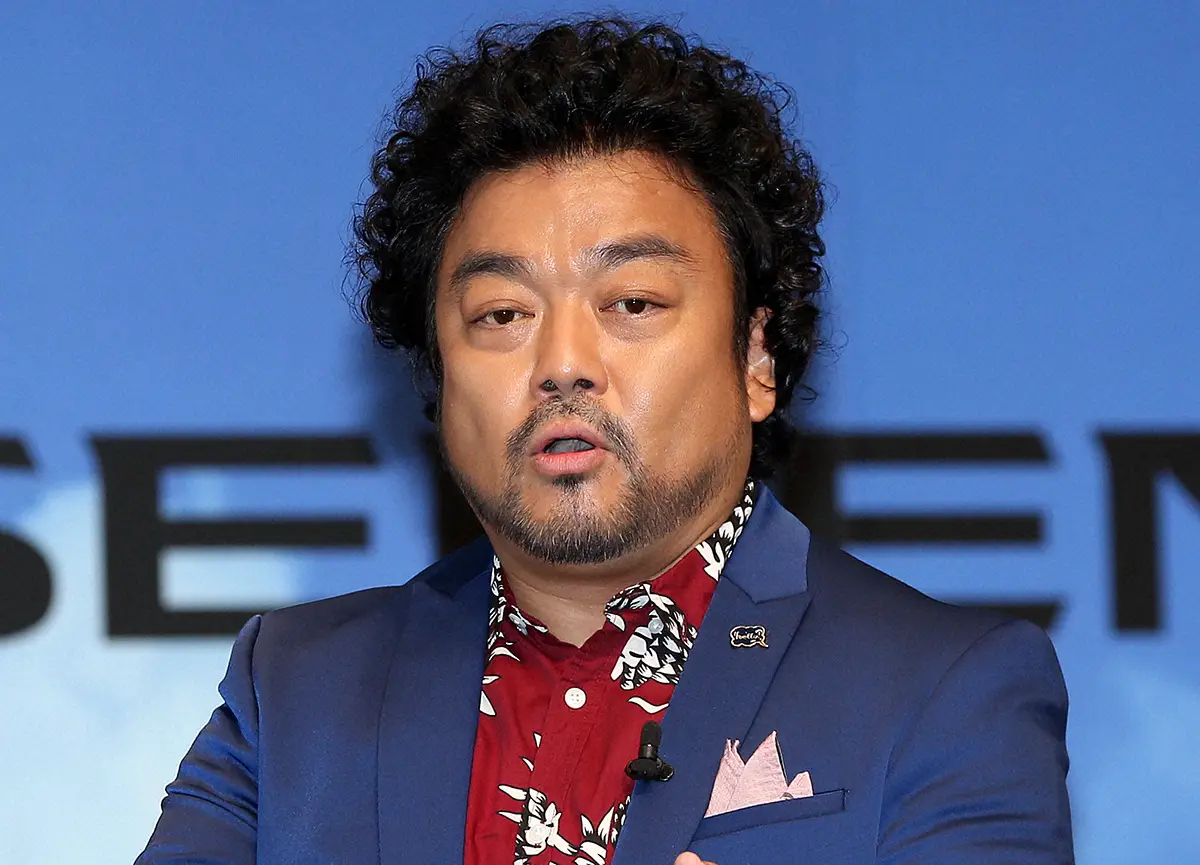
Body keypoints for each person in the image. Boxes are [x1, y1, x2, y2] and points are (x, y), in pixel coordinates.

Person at [136, 16, 1073, 865]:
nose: (563, 364)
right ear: (438, 373)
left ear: (756, 357)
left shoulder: (944, 691)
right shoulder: (297, 691)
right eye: (502, 313)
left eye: (631, 302)